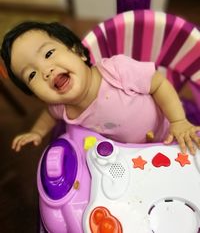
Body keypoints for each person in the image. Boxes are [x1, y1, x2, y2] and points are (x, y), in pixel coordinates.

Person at [1, 21, 200, 155]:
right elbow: (50, 115)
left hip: (170, 133)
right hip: (129, 155)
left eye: (48, 54)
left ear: (78, 52)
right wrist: (37, 132)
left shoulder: (116, 70)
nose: (45, 71)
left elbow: (159, 84)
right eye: (32, 75)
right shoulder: (62, 107)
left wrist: (178, 120)